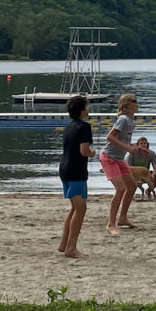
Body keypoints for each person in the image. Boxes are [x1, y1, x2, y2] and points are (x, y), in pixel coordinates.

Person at [100, 93, 144, 235]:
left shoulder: (131, 120)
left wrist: (137, 148)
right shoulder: (123, 119)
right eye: (134, 101)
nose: (137, 103)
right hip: (108, 157)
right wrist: (127, 148)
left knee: (131, 187)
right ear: (126, 105)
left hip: (119, 159)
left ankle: (123, 218)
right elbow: (110, 137)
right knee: (120, 188)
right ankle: (110, 224)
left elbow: (123, 141)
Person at [57, 95, 95, 257]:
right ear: (82, 110)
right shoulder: (84, 127)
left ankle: (64, 243)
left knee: (74, 207)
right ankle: (71, 248)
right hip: (76, 170)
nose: (88, 109)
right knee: (80, 208)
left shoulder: (69, 127)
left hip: (65, 169)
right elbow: (84, 151)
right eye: (87, 107)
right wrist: (92, 153)